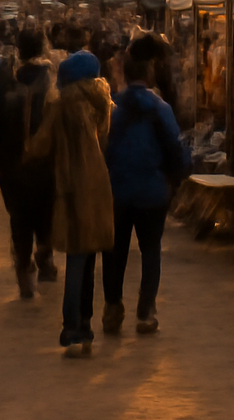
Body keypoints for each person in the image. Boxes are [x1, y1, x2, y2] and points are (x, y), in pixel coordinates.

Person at [27, 50, 113, 357]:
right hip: (98, 187)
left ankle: (72, 329)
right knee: (88, 262)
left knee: (76, 262)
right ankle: (86, 328)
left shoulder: (61, 107)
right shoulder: (101, 104)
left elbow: (39, 147)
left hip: (73, 189)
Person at [102, 35, 188, 337]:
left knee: (115, 252)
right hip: (152, 191)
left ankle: (112, 308)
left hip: (118, 191)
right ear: (149, 73)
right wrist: (176, 178)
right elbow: (176, 149)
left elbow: (103, 147)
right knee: (151, 250)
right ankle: (146, 311)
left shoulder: (112, 107)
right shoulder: (160, 107)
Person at [0, 27, 58, 297]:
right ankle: (44, 253)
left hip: (11, 162)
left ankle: (24, 269)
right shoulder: (50, 79)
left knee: (19, 216)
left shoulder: (5, 78)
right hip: (44, 162)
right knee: (45, 209)